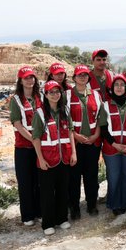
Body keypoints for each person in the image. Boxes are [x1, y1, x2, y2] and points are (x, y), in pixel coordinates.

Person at [32, 80, 77, 236]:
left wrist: (73, 153)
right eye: (51, 92)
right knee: (47, 193)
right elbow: (36, 138)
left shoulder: (65, 111)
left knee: (63, 190)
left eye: (58, 92)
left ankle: (61, 218)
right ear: (46, 94)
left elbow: (71, 132)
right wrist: (41, 159)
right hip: (47, 161)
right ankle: (48, 223)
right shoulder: (40, 113)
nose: (55, 95)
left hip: (64, 158)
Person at [98, 74, 126, 215]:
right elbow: (103, 127)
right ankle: (114, 204)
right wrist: (114, 144)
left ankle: (125, 203)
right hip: (112, 148)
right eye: (116, 85)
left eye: (122, 85)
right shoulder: (106, 105)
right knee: (114, 177)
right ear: (112, 88)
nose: (119, 87)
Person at [67, 64, 102, 219]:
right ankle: (74, 208)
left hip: (93, 143)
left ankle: (91, 205)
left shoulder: (95, 95)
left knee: (91, 176)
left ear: (89, 78)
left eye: (85, 75)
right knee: (74, 178)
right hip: (75, 143)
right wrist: (75, 135)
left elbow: (101, 118)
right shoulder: (67, 95)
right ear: (74, 78)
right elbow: (65, 120)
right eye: (79, 75)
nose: (83, 77)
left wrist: (96, 136)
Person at [9, 66, 42, 227]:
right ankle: (28, 215)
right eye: (26, 78)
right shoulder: (15, 100)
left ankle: (40, 211)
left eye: (32, 77)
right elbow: (18, 124)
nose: (30, 80)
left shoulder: (40, 97)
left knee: (40, 181)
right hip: (24, 147)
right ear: (20, 81)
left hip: (40, 146)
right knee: (25, 182)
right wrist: (33, 140)